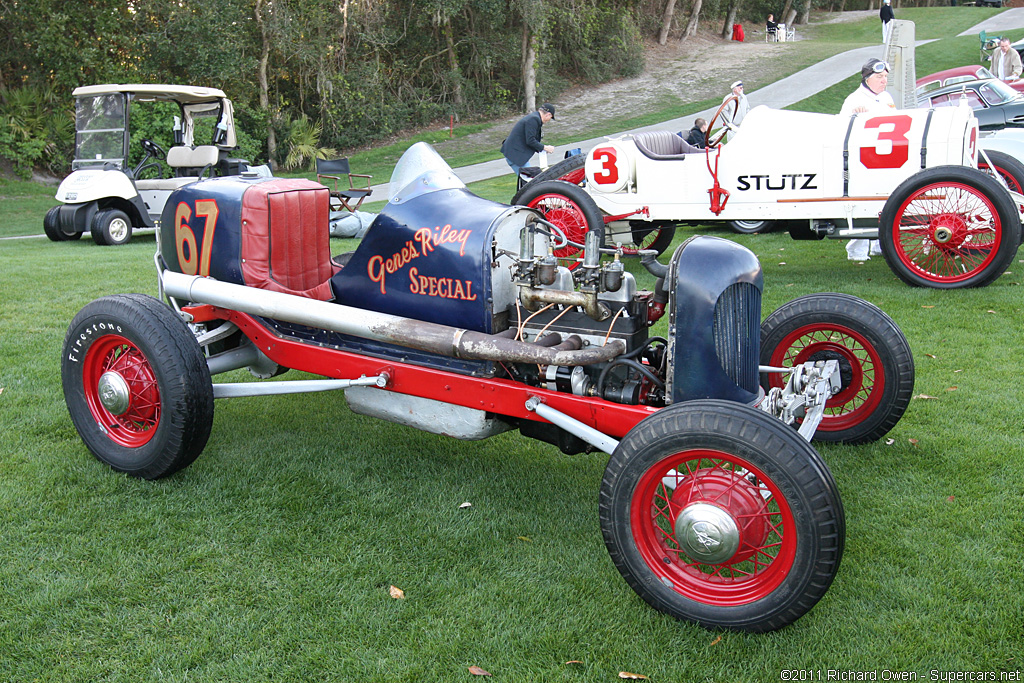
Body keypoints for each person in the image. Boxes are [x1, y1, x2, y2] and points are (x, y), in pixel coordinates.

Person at [841, 58, 895, 261]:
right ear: (867, 78)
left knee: (884, 204)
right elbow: (842, 131)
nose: (884, 81)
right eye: (880, 77)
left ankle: (879, 245)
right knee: (864, 205)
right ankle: (856, 251)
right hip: (863, 161)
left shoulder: (886, 97)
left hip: (886, 160)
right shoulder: (854, 100)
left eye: (886, 77)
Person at [501, 103, 556, 176]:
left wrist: (542, 149)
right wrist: (545, 148)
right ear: (548, 114)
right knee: (532, 181)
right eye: (550, 117)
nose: (549, 120)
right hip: (515, 156)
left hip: (515, 155)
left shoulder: (534, 118)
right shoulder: (534, 119)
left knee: (531, 181)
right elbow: (530, 140)